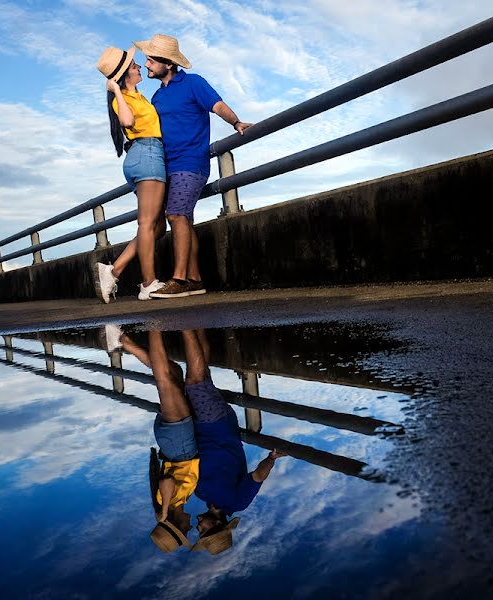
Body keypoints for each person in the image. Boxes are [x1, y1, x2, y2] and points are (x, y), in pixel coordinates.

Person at [132, 34, 253, 299]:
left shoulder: (194, 83)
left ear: (169, 63)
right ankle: (196, 280)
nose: (148, 64)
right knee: (182, 218)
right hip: (167, 165)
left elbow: (217, 105)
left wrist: (236, 122)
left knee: (176, 215)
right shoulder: (157, 97)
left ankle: (179, 279)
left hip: (191, 162)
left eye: (151, 60)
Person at [177, 328, 286, 554]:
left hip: (198, 428)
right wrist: (272, 458)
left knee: (202, 375)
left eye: (198, 531)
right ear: (217, 526)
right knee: (195, 381)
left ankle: (196, 323)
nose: (198, 528)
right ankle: (184, 324)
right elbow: (257, 476)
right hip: (218, 426)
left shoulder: (200, 494)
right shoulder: (237, 502)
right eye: (203, 531)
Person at [116, 327, 200, 552]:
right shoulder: (181, 501)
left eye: (185, 530)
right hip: (178, 443)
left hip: (178, 442)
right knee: (173, 372)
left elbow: (167, 481)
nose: (191, 527)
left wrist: (163, 514)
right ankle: (126, 343)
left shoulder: (166, 502)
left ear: (176, 525)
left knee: (164, 381)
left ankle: (154, 324)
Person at [94, 46, 167, 304]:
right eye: (134, 65)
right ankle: (148, 285)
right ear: (125, 75)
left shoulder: (140, 97)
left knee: (157, 227)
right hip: (146, 155)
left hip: (148, 155)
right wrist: (116, 90)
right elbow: (126, 122)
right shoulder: (121, 99)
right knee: (147, 224)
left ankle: (114, 270)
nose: (139, 67)